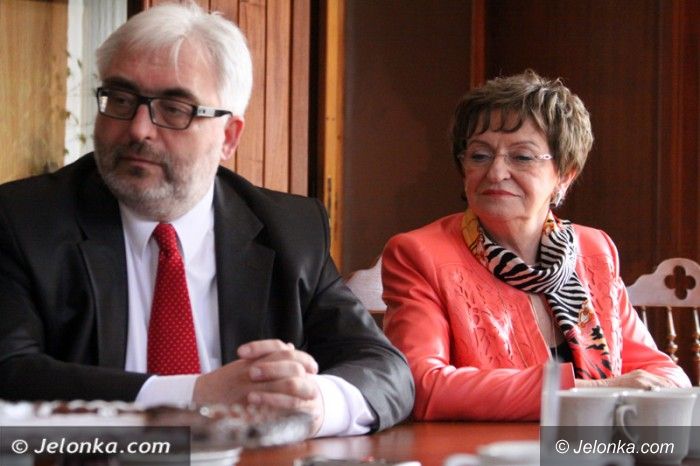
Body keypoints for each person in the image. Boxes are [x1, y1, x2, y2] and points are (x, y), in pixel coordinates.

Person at [0, 2, 413, 437]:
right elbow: (10, 372)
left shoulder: (289, 230)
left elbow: (385, 369)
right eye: (121, 100)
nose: (139, 129)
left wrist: (314, 403)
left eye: (174, 109)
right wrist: (194, 396)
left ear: (228, 137)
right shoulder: (25, 220)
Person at [381, 70, 690, 422]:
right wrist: (591, 392)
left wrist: (644, 390)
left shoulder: (594, 249)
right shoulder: (418, 254)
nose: (496, 172)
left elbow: (663, 373)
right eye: (480, 155)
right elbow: (422, 386)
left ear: (565, 174)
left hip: (593, 446)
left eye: (522, 157)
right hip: (487, 449)